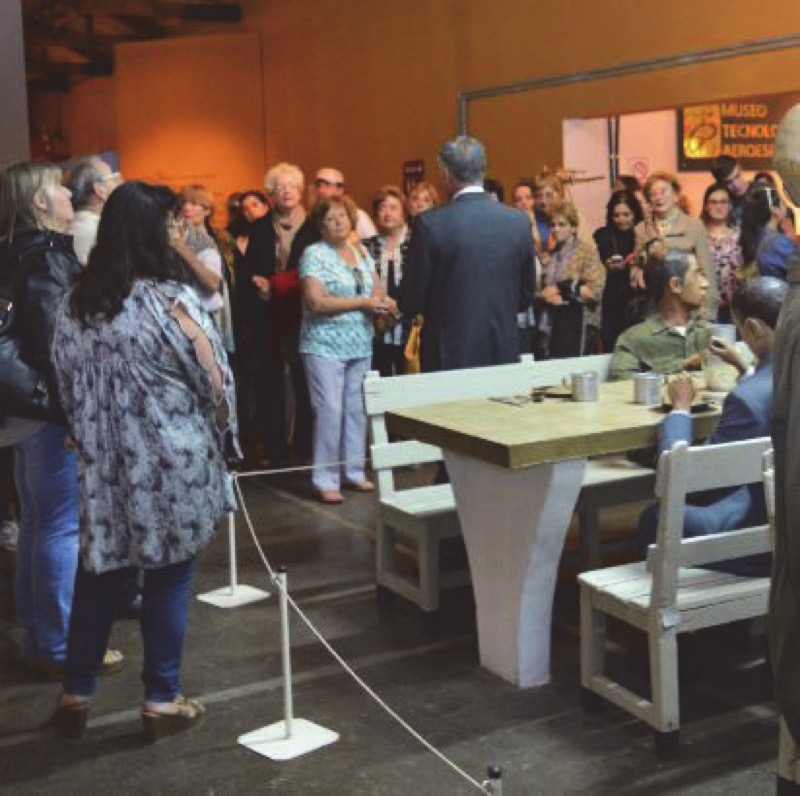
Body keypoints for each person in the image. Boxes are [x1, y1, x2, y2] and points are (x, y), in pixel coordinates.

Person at [49, 181, 237, 740]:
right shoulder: (169, 303)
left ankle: (75, 692)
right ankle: (161, 698)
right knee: (169, 579)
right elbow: (215, 381)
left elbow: (63, 381)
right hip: (171, 462)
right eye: (172, 224)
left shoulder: (74, 303)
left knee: (100, 574)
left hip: (105, 465)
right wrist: (222, 424)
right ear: (154, 233)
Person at [0, 161, 123, 679]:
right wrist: (71, 404)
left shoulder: (16, 250)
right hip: (48, 407)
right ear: (38, 202)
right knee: (58, 526)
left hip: (26, 407)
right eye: (58, 187)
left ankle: (41, 634)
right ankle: (59, 646)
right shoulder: (45, 256)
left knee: (38, 524)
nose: (70, 193)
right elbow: (59, 341)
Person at [637, 276, 786, 572]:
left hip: (766, 545)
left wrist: (680, 410)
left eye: (744, 332)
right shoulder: (765, 386)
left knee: (653, 518)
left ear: (754, 329)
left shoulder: (747, 401)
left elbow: (686, 482)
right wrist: (746, 369)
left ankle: (694, 611)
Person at [398, 136, 535, 372]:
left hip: (448, 352)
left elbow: (410, 300)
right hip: (501, 347)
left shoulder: (430, 224)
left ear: (445, 172)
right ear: (483, 169)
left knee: (449, 410)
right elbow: (525, 296)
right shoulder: (518, 222)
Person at [300, 195, 392, 504]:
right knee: (329, 410)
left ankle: (354, 471)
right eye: (330, 219)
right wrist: (362, 303)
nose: (339, 222)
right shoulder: (314, 254)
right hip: (323, 344)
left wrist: (382, 301)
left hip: (360, 341)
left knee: (356, 409)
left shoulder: (360, 250)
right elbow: (316, 301)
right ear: (320, 226)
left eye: (343, 216)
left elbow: (377, 286)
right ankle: (325, 478)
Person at [610, 247, 713, 380]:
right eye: (697, 274)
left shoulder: (709, 333)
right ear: (676, 285)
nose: (706, 284)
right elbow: (622, 386)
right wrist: (684, 364)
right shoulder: (634, 340)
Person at [632, 170, 716, 317]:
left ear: (676, 196)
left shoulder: (694, 226)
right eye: (653, 194)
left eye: (663, 191)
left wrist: (709, 309)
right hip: (654, 308)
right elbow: (636, 263)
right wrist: (635, 271)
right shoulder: (641, 229)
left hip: (688, 305)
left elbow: (706, 270)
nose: (658, 197)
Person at [535, 201, 604, 358]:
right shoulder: (550, 256)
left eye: (561, 224)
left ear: (573, 227)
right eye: (552, 225)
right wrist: (545, 297)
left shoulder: (586, 253)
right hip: (552, 325)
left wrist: (562, 290)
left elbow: (595, 290)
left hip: (579, 325)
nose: (556, 229)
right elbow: (541, 290)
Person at [363, 186, 412, 377]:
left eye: (394, 207)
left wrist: (400, 306)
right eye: (383, 208)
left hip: (410, 330)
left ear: (404, 213)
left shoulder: (417, 243)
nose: (388, 213)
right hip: (376, 328)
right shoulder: (366, 247)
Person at [593, 189, 646, 350]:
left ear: (635, 213)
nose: (621, 220)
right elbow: (597, 262)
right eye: (616, 215)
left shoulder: (643, 235)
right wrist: (607, 264)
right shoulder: (602, 235)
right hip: (611, 304)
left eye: (626, 214)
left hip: (639, 304)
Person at [66, 157, 122, 265]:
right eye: (115, 179)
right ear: (100, 190)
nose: (121, 184)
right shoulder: (102, 233)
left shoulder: (73, 227)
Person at [700, 182, 742, 324]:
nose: (719, 206)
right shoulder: (697, 235)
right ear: (706, 206)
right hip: (704, 306)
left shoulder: (740, 235)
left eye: (724, 202)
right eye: (714, 202)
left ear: (730, 206)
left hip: (736, 307)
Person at [740, 183, 798, 281]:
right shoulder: (778, 244)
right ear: (774, 210)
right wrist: (791, 235)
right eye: (782, 202)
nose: (787, 207)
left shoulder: (755, 237)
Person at [309, 167, 377, 240]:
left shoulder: (358, 216)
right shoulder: (309, 218)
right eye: (318, 185)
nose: (319, 189)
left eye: (323, 184)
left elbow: (375, 249)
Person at [710, 154, 749, 225]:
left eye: (737, 176)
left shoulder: (762, 191)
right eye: (729, 182)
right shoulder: (718, 200)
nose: (736, 185)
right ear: (721, 184)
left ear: (740, 168)